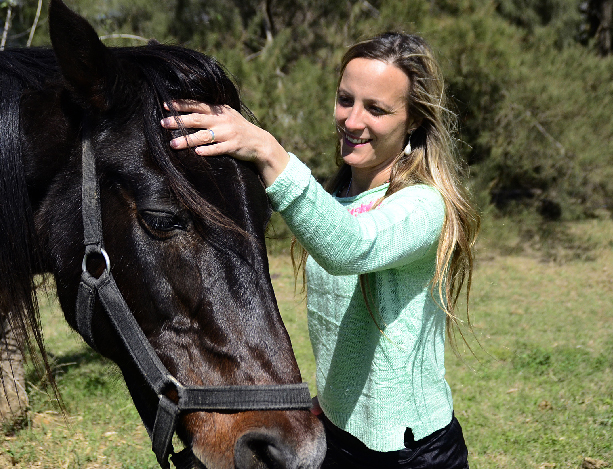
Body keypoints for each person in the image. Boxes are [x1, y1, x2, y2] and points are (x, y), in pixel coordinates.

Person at [161, 32, 479, 469]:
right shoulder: (337, 196)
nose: (351, 120)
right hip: (335, 433)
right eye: (345, 99)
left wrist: (268, 152)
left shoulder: (424, 205)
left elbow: (352, 247)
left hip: (410, 451)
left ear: (414, 121)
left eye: (377, 109)